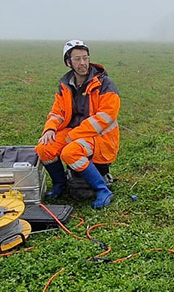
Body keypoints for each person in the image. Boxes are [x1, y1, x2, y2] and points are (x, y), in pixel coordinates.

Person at [35, 40, 119, 209]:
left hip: (99, 137)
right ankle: (60, 184)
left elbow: (105, 118)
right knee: (44, 148)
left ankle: (102, 190)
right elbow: (57, 112)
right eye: (77, 59)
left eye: (85, 58)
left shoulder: (105, 84)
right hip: (73, 132)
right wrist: (49, 129)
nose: (83, 63)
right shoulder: (65, 85)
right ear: (68, 62)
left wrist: (73, 136)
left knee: (70, 152)